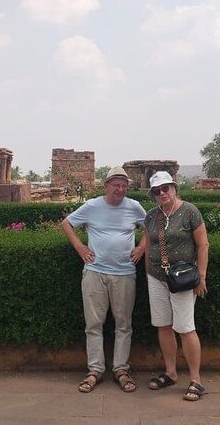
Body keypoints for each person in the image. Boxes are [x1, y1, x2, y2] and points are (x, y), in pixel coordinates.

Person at [61, 166, 146, 394]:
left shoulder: (134, 207)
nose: (120, 189)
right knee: (93, 325)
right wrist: (80, 247)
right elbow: (67, 223)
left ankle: (121, 370)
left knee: (124, 325)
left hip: (124, 273)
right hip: (95, 273)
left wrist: (141, 247)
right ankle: (95, 370)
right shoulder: (92, 206)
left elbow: (151, 227)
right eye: (116, 185)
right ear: (106, 185)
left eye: (124, 186)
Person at [144, 171, 209, 401]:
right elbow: (148, 245)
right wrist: (148, 273)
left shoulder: (190, 211)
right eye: (157, 191)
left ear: (174, 188)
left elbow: (203, 245)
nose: (162, 193)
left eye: (165, 188)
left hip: (182, 278)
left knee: (185, 327)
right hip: (156, 277)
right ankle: (171, 373)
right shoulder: (152, 216)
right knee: (163, 326)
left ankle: (196, 379)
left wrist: (201, 277)